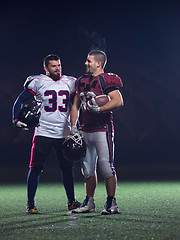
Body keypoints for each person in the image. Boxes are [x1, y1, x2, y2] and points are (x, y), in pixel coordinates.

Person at [12, 54, 81, 214]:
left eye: (59, 65)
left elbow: (75, 105)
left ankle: (71, 202)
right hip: (43, 132)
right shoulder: (38, 81)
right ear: (46, 68)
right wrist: (16, 119)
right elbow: (20, 101)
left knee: (67, 168)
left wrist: (76, 126)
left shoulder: (70, 82)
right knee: (35, 168)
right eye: (54, 66)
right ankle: (30, 203)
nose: (58, 68)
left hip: (64, 133)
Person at [70, 50, 123, 215]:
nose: (86, 63)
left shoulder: (106, 79)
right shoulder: (81, 81)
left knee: (106, 167)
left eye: (89, 61)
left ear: (98, 63)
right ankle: (89, 202)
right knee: (87, 169)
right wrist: (73, 127)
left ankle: (111, 203)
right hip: (85, 129)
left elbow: (118, 101)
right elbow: (75, 106)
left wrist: (99, 109)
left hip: (102, 129)